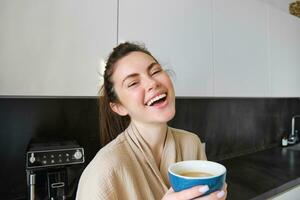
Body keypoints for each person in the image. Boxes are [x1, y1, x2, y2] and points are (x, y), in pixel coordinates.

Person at [76, 42, 227, 200]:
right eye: (133, 83)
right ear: (119, 107)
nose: (152, 83)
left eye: (155, 71)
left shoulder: (191, 143)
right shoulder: (104, 171)